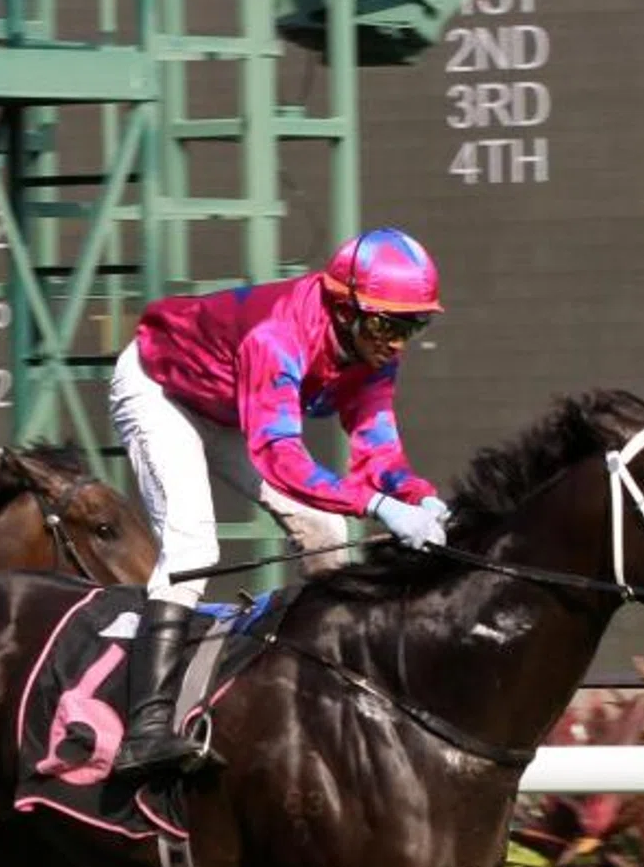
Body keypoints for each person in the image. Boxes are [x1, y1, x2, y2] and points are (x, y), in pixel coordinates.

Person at [106, 226, 449, 779]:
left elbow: (378, 450)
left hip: (222, 407)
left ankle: (334, 684)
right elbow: (281, 461)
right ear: (346, 308)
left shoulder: (373, 352)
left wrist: (420, 495)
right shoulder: (279, 336)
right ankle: (145, 729)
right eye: (388, 324)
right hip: (160, 391)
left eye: (414, 326)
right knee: (194, 545)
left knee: (325, 530)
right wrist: (381, 508)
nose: (397, 343)